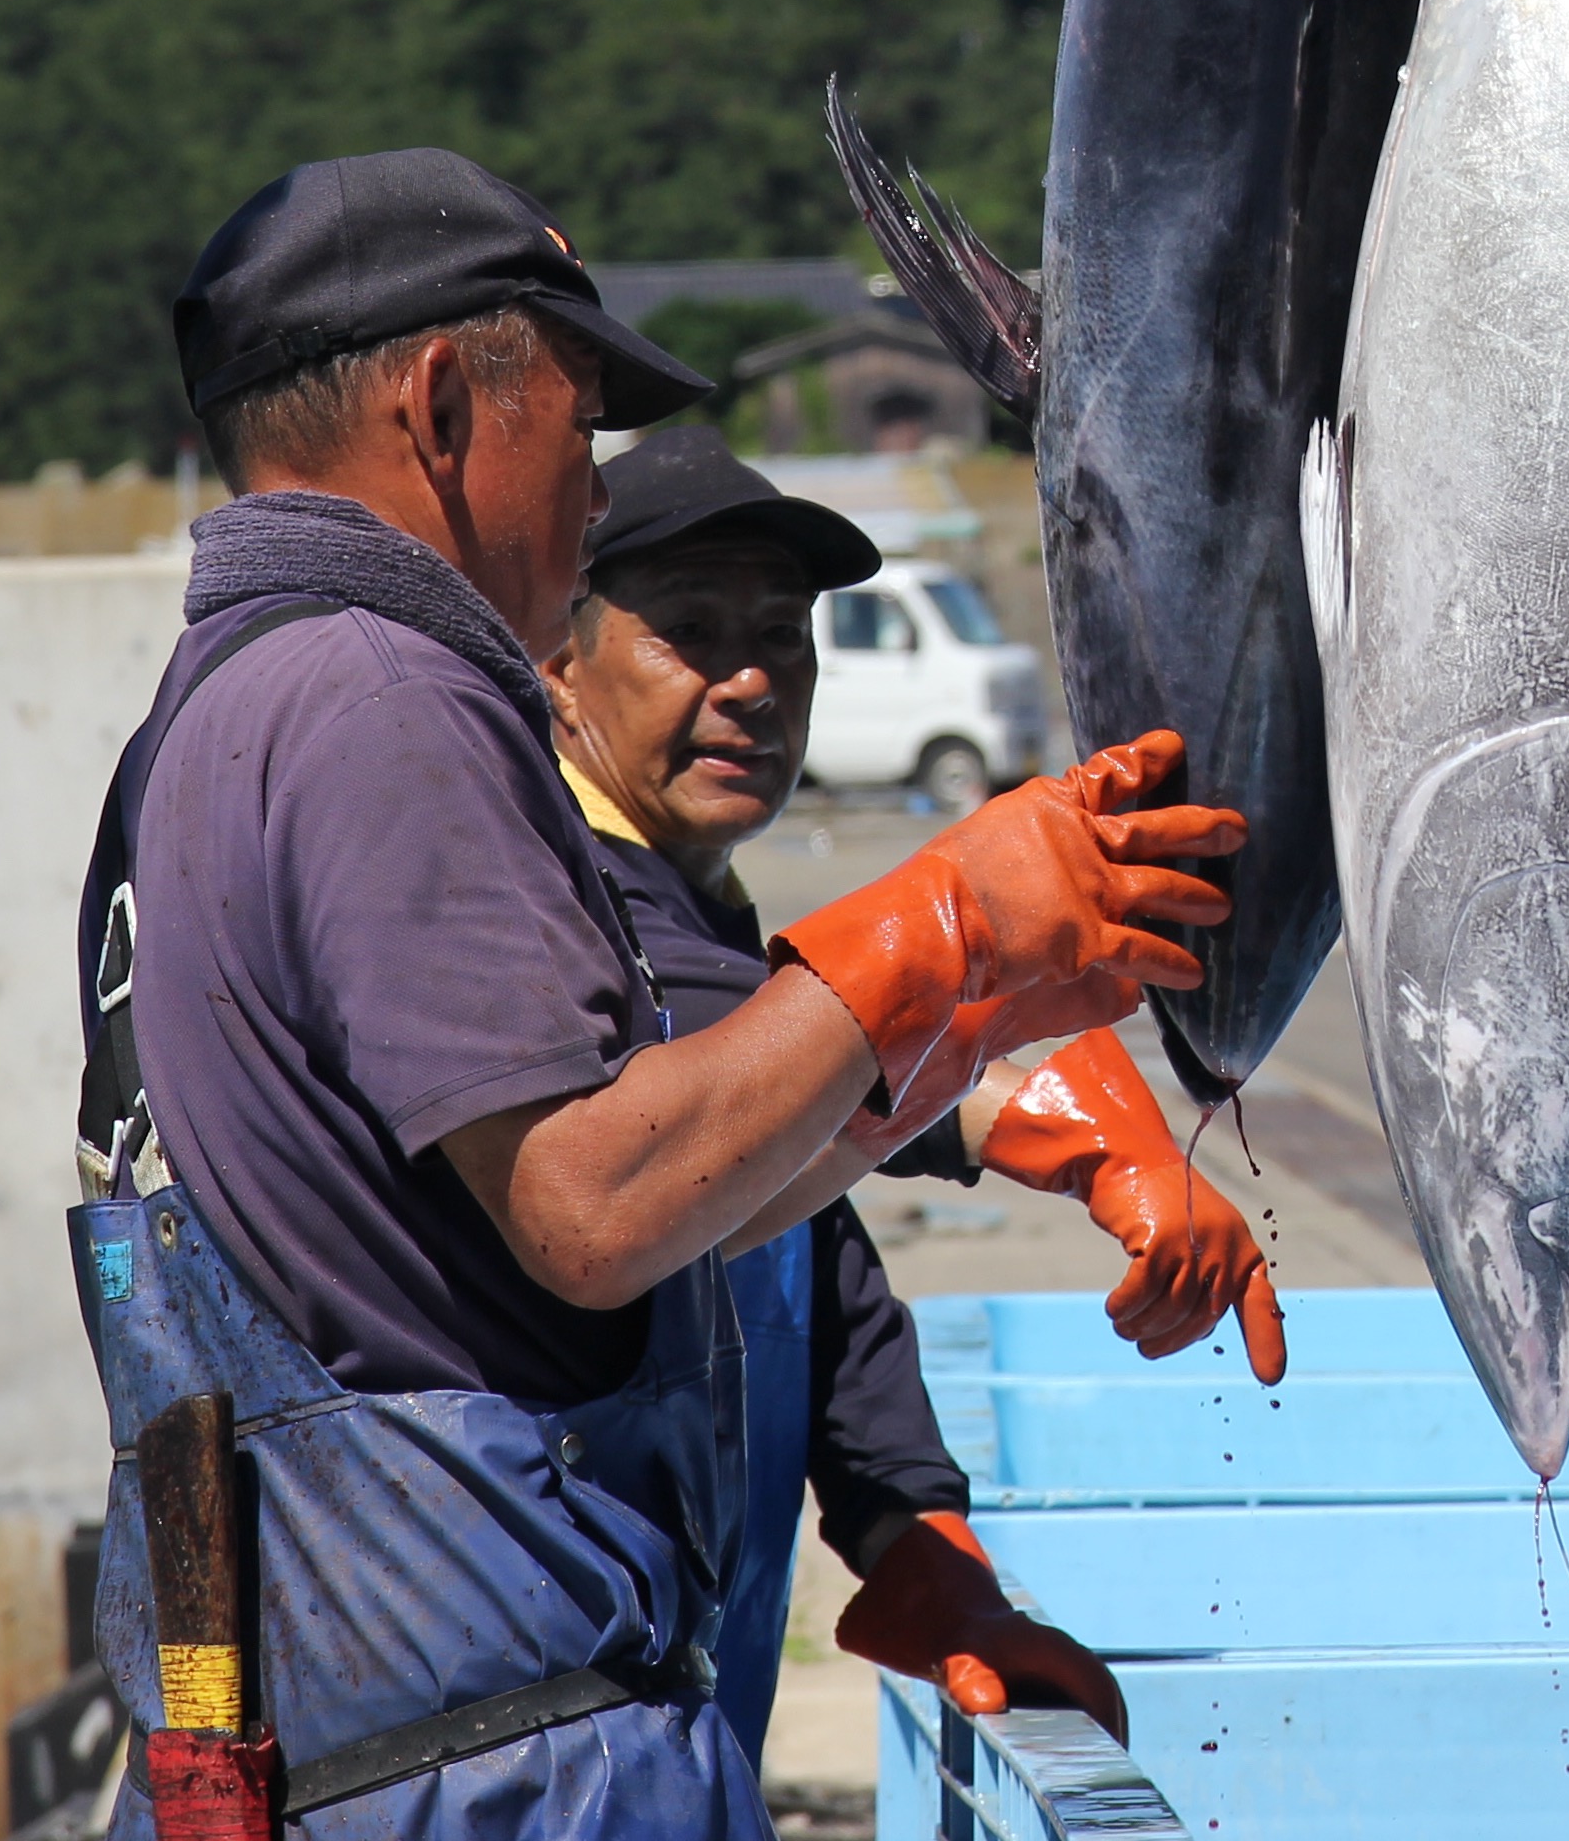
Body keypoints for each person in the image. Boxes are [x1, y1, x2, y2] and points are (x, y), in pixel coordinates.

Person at [73, 149, 1241, 1838]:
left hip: (361, 1744)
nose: (594, 486)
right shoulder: (381, 691)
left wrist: (961, 1040)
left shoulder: (207, 718)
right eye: (582, 415)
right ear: (443, 399)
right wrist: (947, 933)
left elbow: (672, 1187)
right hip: (503, 1767)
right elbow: (598, 1202)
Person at [535, 430, 1284, 1764]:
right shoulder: (558, 916)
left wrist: (918, 1549)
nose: (751, 679)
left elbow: (797, 1250)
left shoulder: (705, 917)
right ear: (558, 665)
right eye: (689, 631)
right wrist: (1054, 1108)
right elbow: (731, 1114)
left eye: (783, 632)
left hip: (668, 1732)